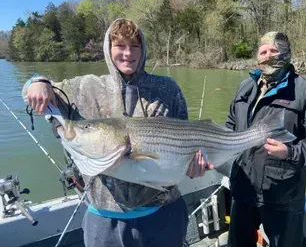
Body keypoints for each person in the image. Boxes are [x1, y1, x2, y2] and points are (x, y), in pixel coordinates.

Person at [22, 18, 211, 247]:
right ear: (108, 48)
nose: (128, 53)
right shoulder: (85, 87)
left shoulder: (167, 88)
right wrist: (37, 82)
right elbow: (40, 93)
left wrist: (194, 168)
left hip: (164, 214)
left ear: (144, 49)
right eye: (120, 45)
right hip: (104, 221)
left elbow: (186, 141)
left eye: (135, 46)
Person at [225, 32, 306, 247]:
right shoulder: (245, 87)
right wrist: (218, 147)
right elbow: (231, 124)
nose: (268, 56)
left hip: (282, 194)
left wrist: (291, 152)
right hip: (243, 187)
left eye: (274, 51)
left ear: (286, 54)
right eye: (263, 51)